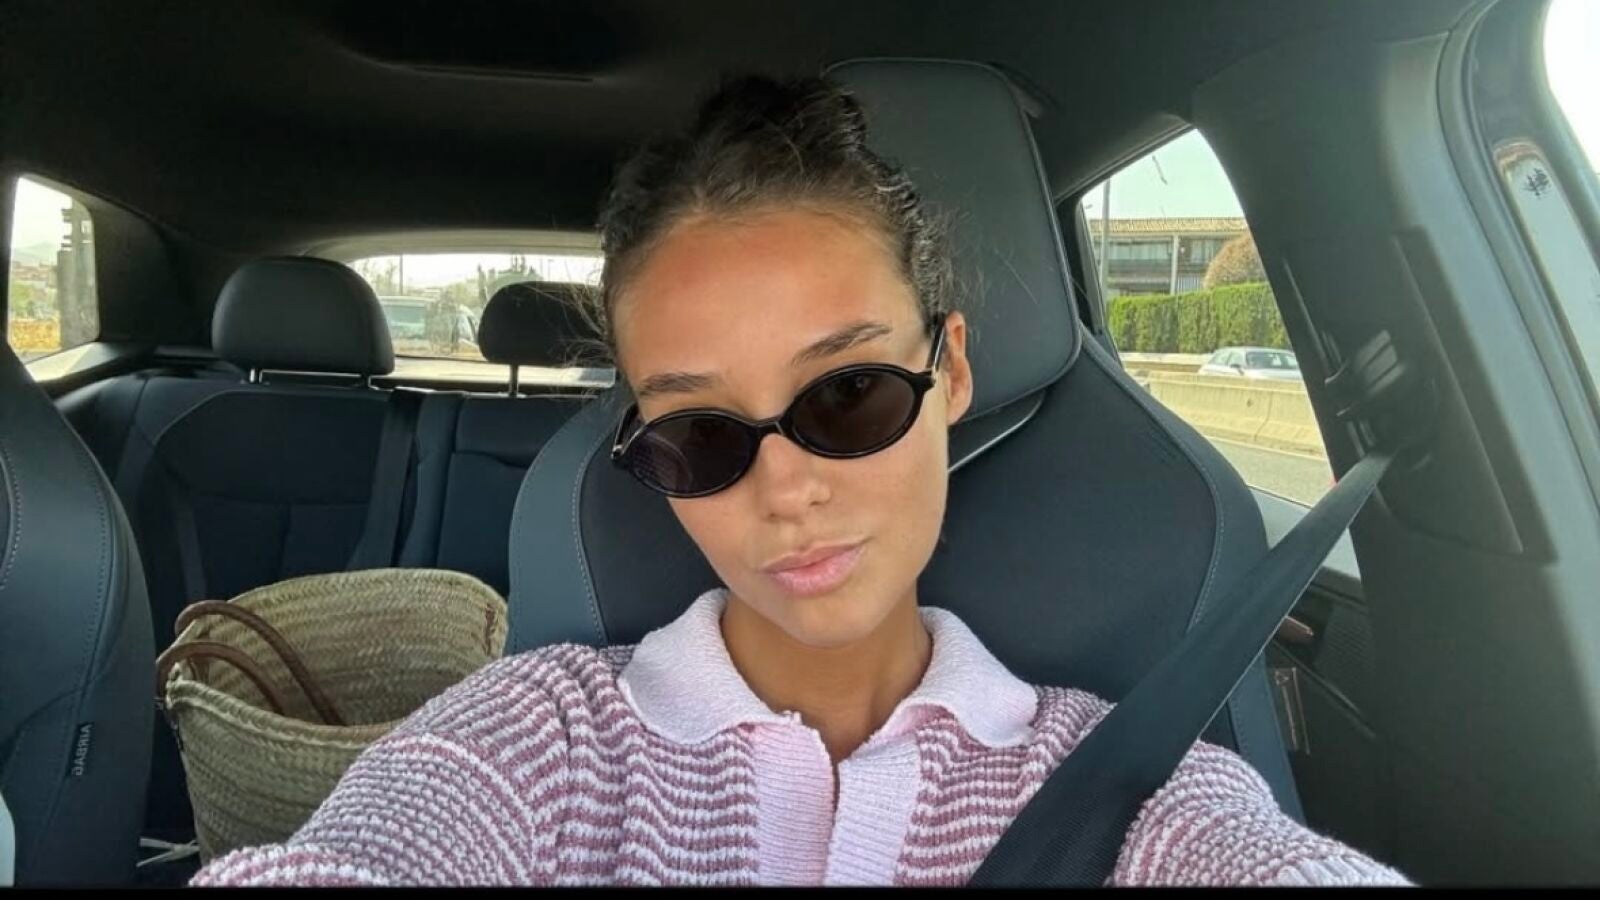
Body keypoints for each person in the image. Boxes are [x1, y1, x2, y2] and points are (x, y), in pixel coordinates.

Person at [191, 74, 1410, 887]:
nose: (784, 492)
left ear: (951, 369)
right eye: (699, 434)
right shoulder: (538, 739)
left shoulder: (1123, 783)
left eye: (847, 395)